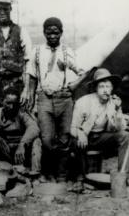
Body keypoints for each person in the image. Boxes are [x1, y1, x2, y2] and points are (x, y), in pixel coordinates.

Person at [24, 17, 84, 182]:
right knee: (47, 138)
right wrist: (30, 94)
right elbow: (32, 76)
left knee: (65, 138)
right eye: (49, 33)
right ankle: (47, 173)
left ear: (61, 33)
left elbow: (83, 72)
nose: (52, 36)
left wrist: (73, 86)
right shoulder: (36, 51)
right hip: (44, 98)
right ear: (44, 33)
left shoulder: (67, 51)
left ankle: (62, 175)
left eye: (56, 33)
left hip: (64, 99)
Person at [70, 68, 129, 189]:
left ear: (112, 89)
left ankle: (123, 177)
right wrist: (80, 134)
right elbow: (72, 128)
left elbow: (120, 128)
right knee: (76, 141)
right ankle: (80, 180)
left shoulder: (114, 103)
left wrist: (118, 110)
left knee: (125, 136)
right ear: (96, 88)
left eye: (108, 87)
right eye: (101, 86)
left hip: (101, 137)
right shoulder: (83, 102)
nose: (105, 90)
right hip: (85, 136)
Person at [0, 88, 41, 175]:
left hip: (22, 152)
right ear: (2, 101)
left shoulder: (21, 113)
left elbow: (34, 128)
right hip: (5, 149)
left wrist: (22, 144)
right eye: (8, 103)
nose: (12, 107)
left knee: (37, 141)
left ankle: (34, 173)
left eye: (15, 104)